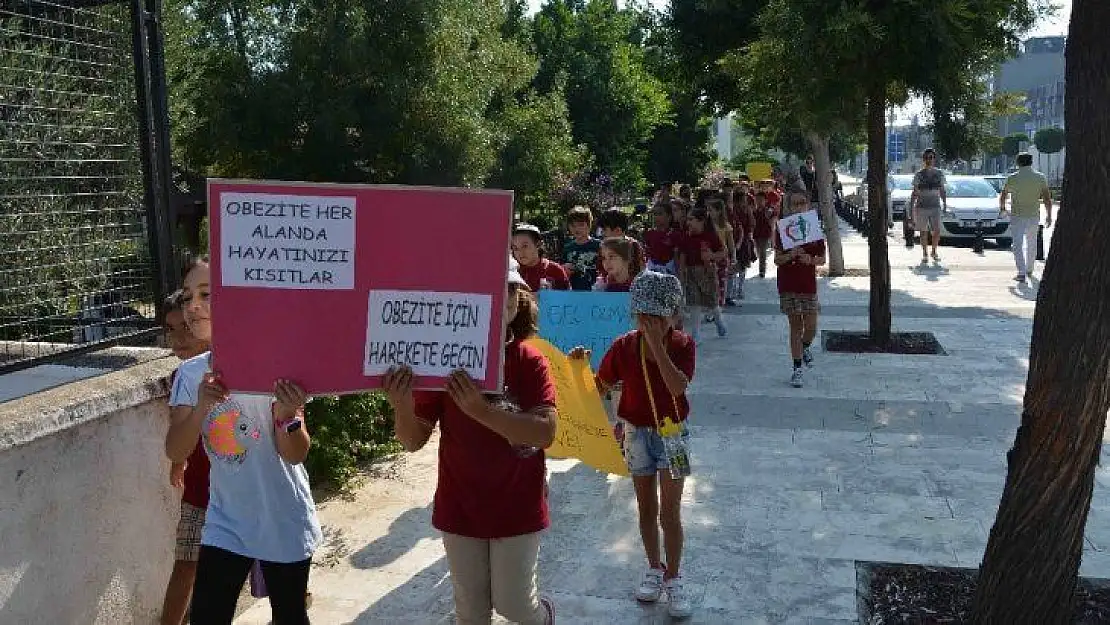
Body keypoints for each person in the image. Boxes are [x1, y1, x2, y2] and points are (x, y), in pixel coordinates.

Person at [381, 268, 558, 625]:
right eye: (486, 289)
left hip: (517, 504)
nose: (498, 300)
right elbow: (413, 439)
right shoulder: (444, 364)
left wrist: (480, 410)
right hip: (460, 505)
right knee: (471, 613)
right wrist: (401, 403)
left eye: (508, 290)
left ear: (518, 300)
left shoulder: (530, 361)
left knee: (516, 606)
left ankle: (545, 617)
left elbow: (544, 432)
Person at [166, 257, 321, 625]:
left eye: (206, 294)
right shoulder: (189, 375)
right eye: (188, 297)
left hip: (283, 518)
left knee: (290, 617)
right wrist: (203, 405)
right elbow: (175, 449)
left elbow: (296, 453)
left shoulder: (278, 363)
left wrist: (286, 416)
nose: (193, 307)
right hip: (226, 522)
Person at [571, 270, 695, 620]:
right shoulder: (624, 346)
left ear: (673, 314)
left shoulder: (684, 345)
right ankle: (654, 568)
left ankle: (674, 576)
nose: (649, 321)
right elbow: (597, 389)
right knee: (645, 509)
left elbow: (676, 387)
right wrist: (577, 368)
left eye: (657, 315)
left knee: (670, 512)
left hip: (674, 435)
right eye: (644, 314)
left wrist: (657, 344)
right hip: (636, 433)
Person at [161, 290, 212, 625]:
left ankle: (296, 593)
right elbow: (178, 431)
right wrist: (179, 461)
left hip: (247, 488)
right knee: (186, 565)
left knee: (274, 558)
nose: (180, 338)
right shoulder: (185, 377)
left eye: (188, 327)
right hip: (200, 491)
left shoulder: (238, 370)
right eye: (172, 329)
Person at [774, 187, 827, 389]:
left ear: (807, 205)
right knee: (795, 326)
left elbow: (822, 259)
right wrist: (791, 255)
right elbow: (777, 259)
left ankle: (805, 347)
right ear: (788, 206)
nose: (798, 207)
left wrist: (810, 259)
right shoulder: (782, 229)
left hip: (808, 283)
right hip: (788, 283)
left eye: (801, 203)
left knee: (811, 326)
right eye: (794, 203)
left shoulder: (814, 229)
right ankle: (797, 368)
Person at [999, 152, 1054, 283]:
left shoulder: (1012, 178)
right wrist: (1049, 215)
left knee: (1017, 245)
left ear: (1018, 163)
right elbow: (1047, 198)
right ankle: (1029, 269)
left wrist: (1002, 208)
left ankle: (1021, 272)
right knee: (1032, 243)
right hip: (1033, 215)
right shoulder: (1040, 177)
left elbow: (1003, 195)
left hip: (1017, 215)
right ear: (1031, 162)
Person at [677, 207, 727, 340]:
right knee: (694, 303)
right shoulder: (686, 236)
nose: (688, 222)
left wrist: (712, 255)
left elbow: (723, 252)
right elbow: (682, 256)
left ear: (702, 221)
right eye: (688, 219)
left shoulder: (711, 236)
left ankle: (718, 321)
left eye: (691, 219)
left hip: (707, 273)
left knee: (712, 303)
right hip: (691, 273)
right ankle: (696, 334)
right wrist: (681, 274)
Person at [909, 148, 948, 264]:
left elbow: (942, 190)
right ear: (923, 160)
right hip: (921, 206)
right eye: (926, 158)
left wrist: (945, 203)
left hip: (935, 206)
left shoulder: (939, 173)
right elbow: (914, 192)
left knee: (936, 231)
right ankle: (925, 253)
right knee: (923, 231)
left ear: (934, 159)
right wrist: (911, 210)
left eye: (930, 157)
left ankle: (934, 251)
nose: (928, 160)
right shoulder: (919, 175)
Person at [512, 224, 570, 291]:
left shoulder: (555, 270)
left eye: (525, 246)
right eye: (515, 248)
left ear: (538, 245)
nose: (520, 252)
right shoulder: (512, 272)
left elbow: (567, 299)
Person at [561, 206, 602, 291]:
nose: (577, 229)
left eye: (581, 225)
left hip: (595, 292)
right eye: (573, 225)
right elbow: (562, 271)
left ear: (589, 225)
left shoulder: (600, 246)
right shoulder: (567, 248)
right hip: (574, 292)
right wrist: (564, 269)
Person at [707, 199, 736, 309]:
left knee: (721, 283)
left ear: (719, 211)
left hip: (722, 258)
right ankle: (712, 307)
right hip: (709, 257)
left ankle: (719, 306)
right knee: (710, 284)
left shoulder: (726, 226)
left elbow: (730, 243)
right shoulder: (706, 226)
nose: (709, 212)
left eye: (711, 210)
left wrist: (733, 257)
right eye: (708, 210)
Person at [731, 189, 757, 302]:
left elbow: (752, 224)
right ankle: (734, 288)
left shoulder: (747, 210)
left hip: (745, 240)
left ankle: (740, 288)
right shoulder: (732, 211)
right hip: (733, 240)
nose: (744, 202)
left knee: (744, 264)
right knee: (734, 265)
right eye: (743, 200)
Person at [644, 202, 678, 275]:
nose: (656, 217)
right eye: (655, 214)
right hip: (652, 270)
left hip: (669, 271)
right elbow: (647, 253)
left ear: (669, 217)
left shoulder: (674, 234)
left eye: (660, 214)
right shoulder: (650, 233)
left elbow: (677, 257)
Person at [753, 188, 780, 278]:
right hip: (756, 234)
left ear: (765, 200)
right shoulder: (754, 211)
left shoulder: (769, 211)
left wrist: (768, 217)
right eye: (757, 200)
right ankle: (762, 265)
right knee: (759, 252)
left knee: (763, 252)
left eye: (761, 200)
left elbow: (773, 221)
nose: (759, 202)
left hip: (765, 234)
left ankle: (762, 270)